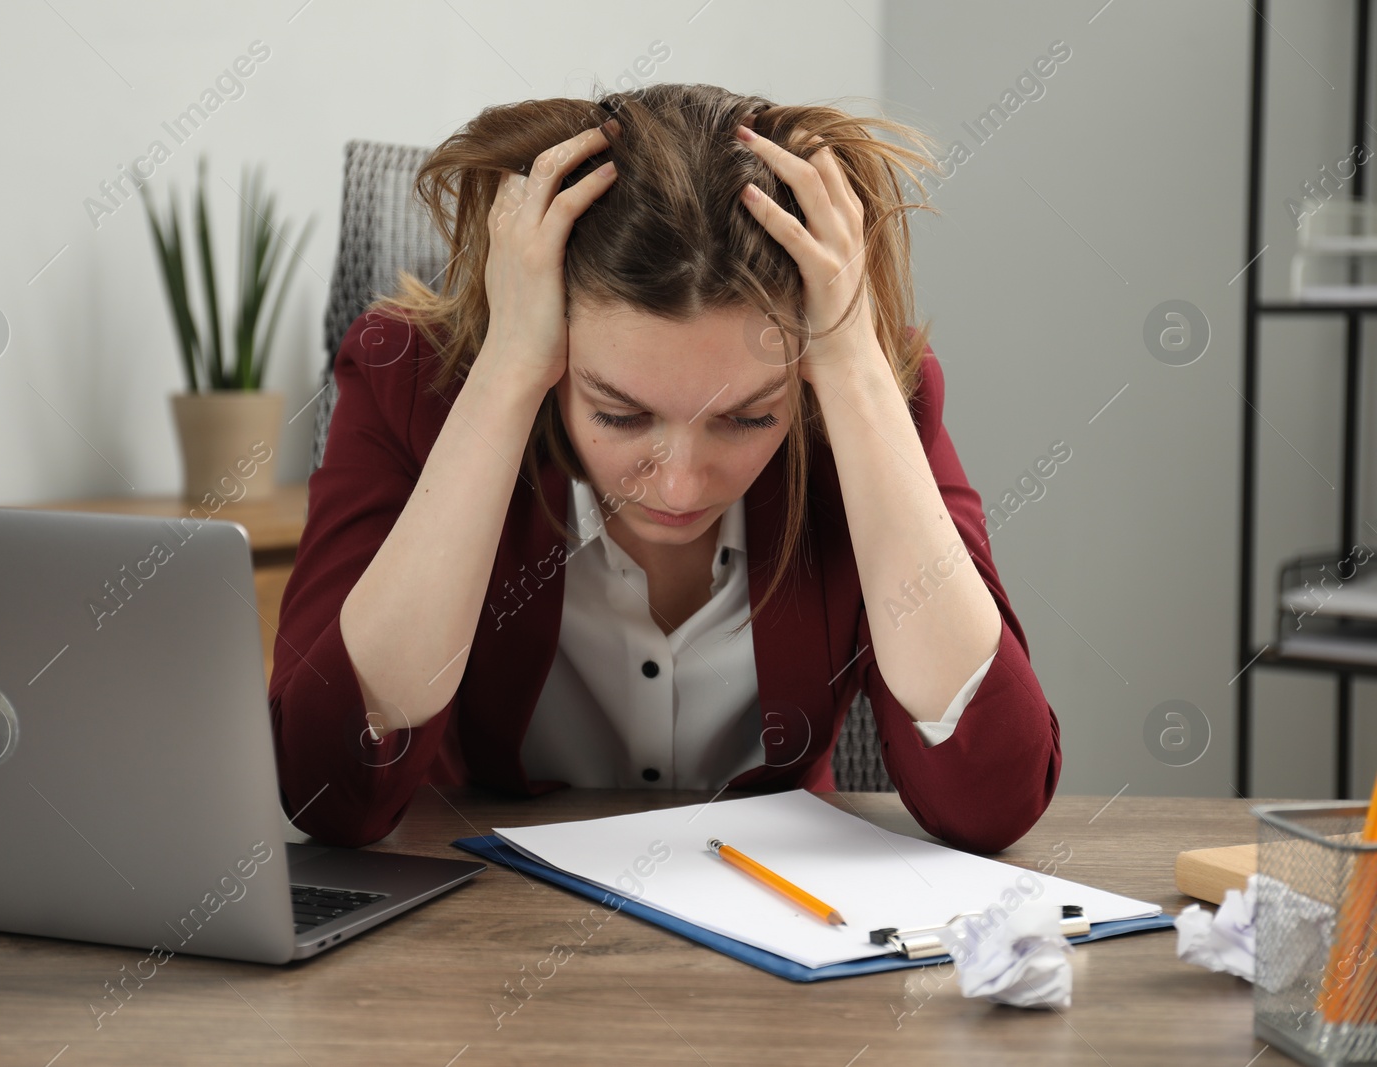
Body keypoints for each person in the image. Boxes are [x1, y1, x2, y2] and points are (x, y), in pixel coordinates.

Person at [268, 83, 1061, 853]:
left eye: (748, 418)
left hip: (780, 937)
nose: (681, 486)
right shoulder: (412, 381)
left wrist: (854, 369)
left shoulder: (860, 403)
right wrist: (509, 372)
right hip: (484, 941)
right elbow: (328, 791)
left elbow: (992, 800)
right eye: (619, 413)